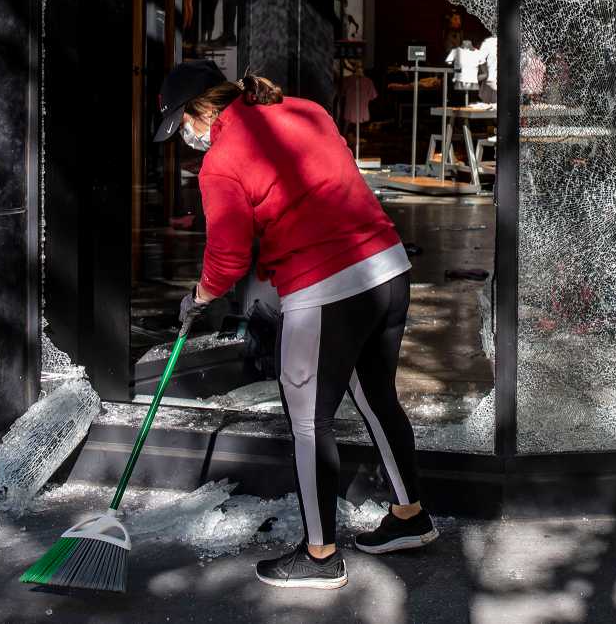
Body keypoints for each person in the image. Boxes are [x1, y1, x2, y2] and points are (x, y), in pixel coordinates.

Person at [154, 60, 437, 590]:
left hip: (325, 288)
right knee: (378, 398)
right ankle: (409, 517)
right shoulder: (305, 111)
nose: (187, 136)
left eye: (185, 124)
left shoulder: (220, 163)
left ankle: (320, 555)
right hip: (387, 270)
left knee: (309, 424)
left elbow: (228, 257)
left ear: (203, 110)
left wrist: (198, 297)